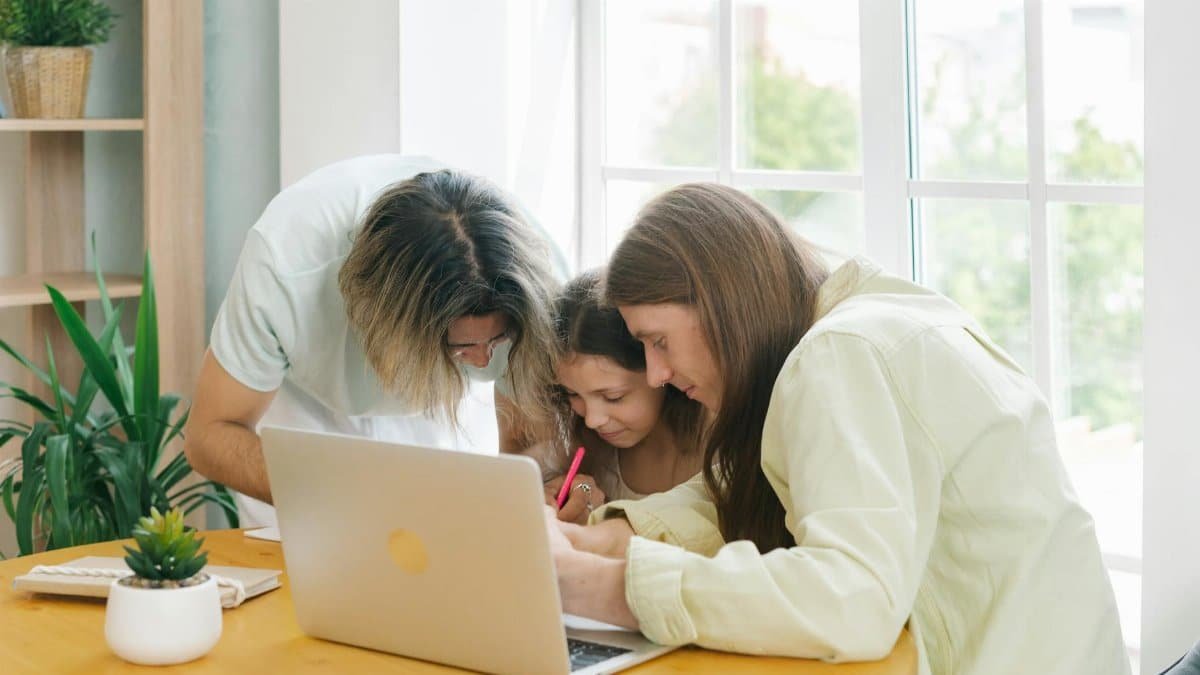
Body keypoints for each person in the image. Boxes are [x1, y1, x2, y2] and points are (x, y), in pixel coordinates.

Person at [545, 183, 1128, 675]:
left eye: (659, 341)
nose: (658, 373)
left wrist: (597, 587)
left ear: (720, 302)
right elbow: (756, 486)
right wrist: (595, 541)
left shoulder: (841, 354)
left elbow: (852, 598)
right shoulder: (862, 320)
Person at [184, 155, 562, 526]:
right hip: (305, 415)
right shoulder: (285, 266)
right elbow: (210, 435)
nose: (482, 362)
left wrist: (539, 492)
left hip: (436, 411)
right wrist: (340, 496)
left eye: (497, 341)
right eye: (461, 348)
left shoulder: (534, 286)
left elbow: (527, 443)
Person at [542, 270, 707, 525]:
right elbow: (585, 501)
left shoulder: (717, 448)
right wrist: (578, 495)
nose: (592, 420)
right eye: (572, 394)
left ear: (660, 371)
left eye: (613, 397)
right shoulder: (590, 447)